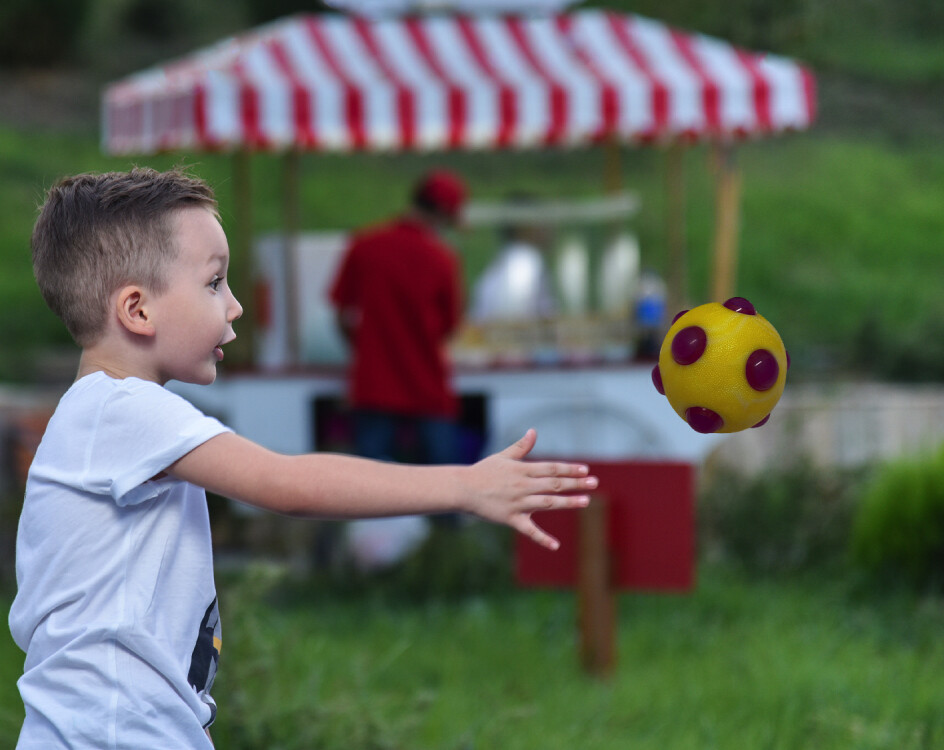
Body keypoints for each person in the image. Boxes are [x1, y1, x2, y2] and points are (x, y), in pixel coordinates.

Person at [8, 167, 597, 749]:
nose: (235, 306)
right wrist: (466, 486)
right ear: (137, 310)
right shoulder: (123, 411)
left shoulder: (103, 415)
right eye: (214, 283)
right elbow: (287, 483)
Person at [329, 169, 466, 469]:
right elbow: (450, 326)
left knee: (370, 478)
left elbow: (341, 314)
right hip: (427, 381)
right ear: (442, 214)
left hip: (374, 382)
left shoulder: (364, 245)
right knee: (441, 477)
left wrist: (364, 349)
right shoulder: (442, 258)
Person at [468, 193, 556, 324]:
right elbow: (514, 316)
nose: (547, 227)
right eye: (540, 220)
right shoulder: (525, 261)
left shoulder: (509, 259)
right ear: (524, 227)